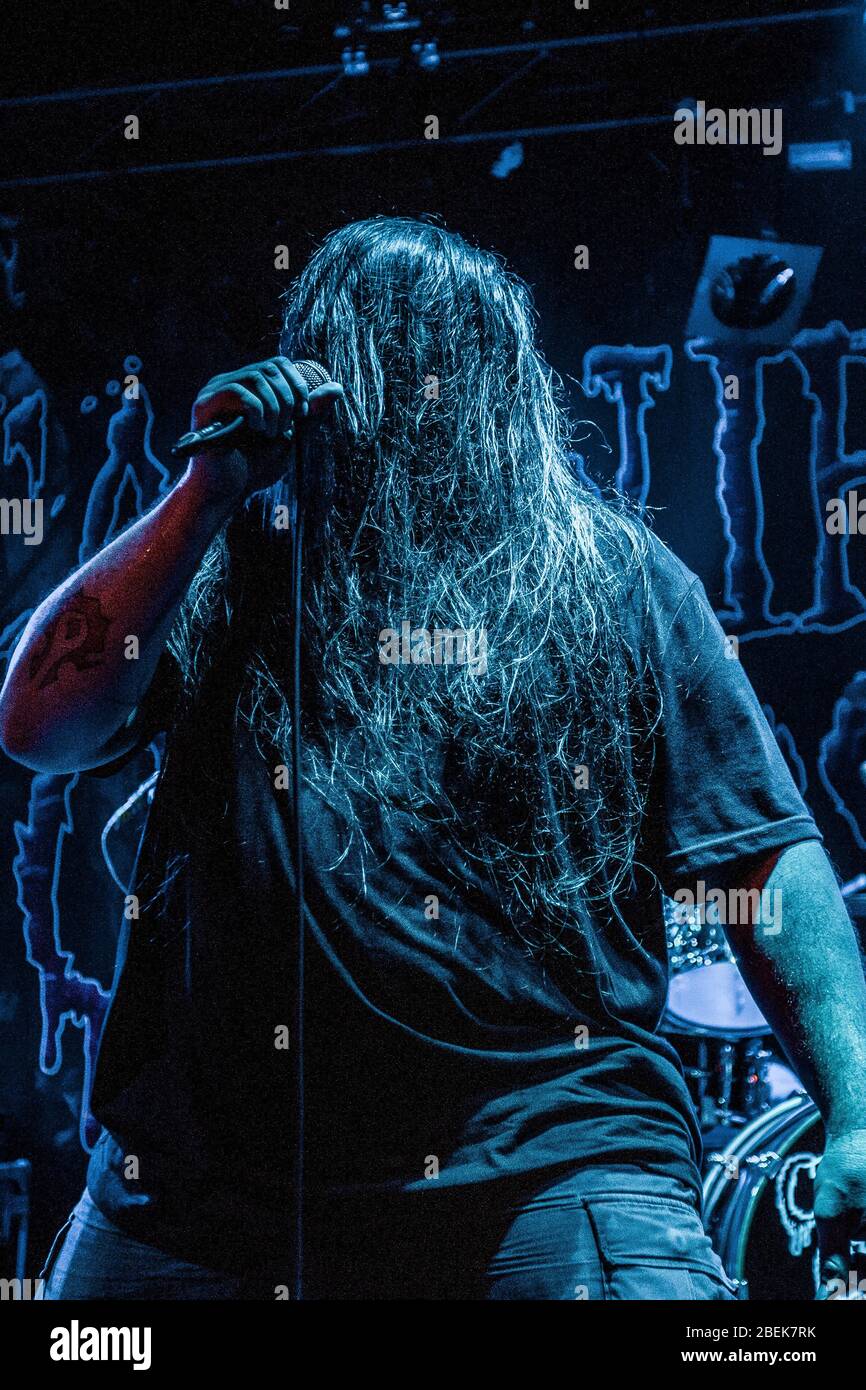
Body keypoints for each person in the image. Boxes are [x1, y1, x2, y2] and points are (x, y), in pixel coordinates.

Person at [2, 216, 865, 1300]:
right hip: (210, 1190)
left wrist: (856, 1106)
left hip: (554, 1158)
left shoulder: (612, 577)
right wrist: (202, 491)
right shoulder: (233, 564)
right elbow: (39, 723)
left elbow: (759, 856)